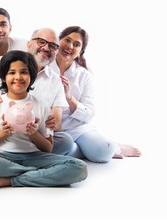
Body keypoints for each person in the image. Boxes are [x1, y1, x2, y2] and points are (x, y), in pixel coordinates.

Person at [0, 28, 74, 164]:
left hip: (33, 140)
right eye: (41, 42)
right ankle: (30, 164)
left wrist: (47, 122)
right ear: (29, 44)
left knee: (67, 142)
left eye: (52, 46)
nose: (46, 48)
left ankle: (2, 165)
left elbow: (56, 124)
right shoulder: (2, 62)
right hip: (0, 139)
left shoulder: (55, 80)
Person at [0, 50, 88, 190]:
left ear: (31, 76)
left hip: (35, 157)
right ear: (3, 77)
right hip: (3, 157)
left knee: (79, 168)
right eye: (12, 72)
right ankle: (39, 175)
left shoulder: (41, 105)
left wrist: (33, 134)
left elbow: (48, 148)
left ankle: (12, 180)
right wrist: (3, 133)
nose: (18, 77)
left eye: (24, 72)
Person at [51, 26, 142, 163]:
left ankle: (113, 147)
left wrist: (69, 97)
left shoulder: (84, 76)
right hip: (51, 131)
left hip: (77, 129)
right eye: (67, 40)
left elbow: (89, 114)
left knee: (102, 153)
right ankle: (85, 150)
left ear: (81, 51)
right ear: (58, 41)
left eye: (76, 44)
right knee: (51, 149)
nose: (70, 46)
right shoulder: (42, 68)